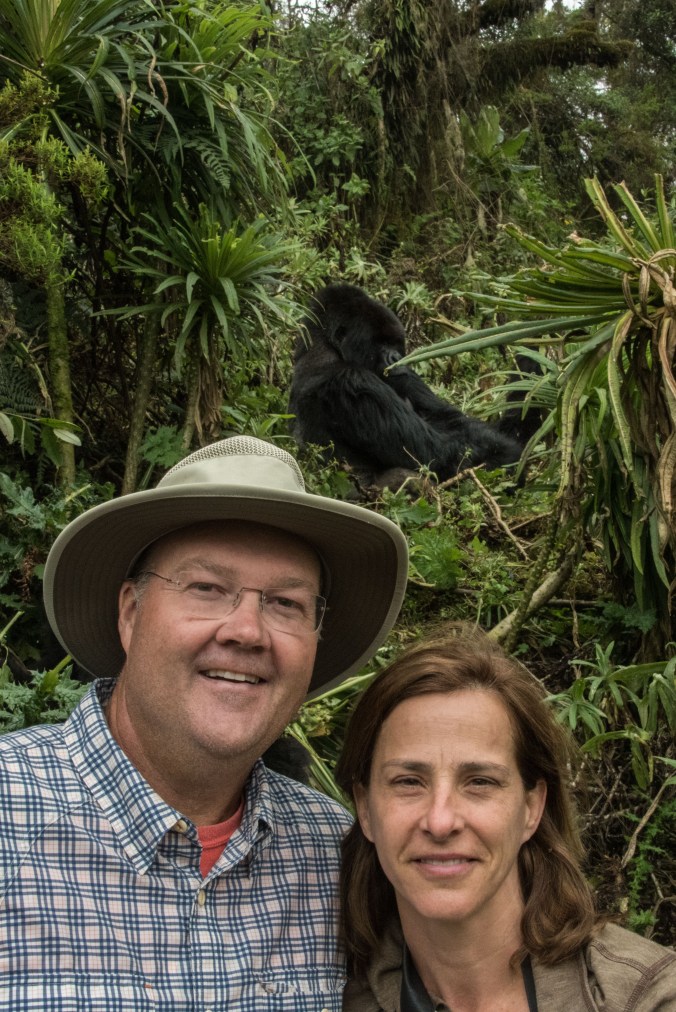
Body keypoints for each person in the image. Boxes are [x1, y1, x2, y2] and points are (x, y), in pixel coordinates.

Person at [0, 435, 409, 1010]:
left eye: (286, 603)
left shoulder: (335, 856)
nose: (246, 630)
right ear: (131, 613)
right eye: (208, 589)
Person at [336, 627, 676, 1012]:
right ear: (365, 808)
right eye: (409, 782)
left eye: (480, 782)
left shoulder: (643, 996)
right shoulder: (332, 991)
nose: (441, 820)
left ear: (532, 808)